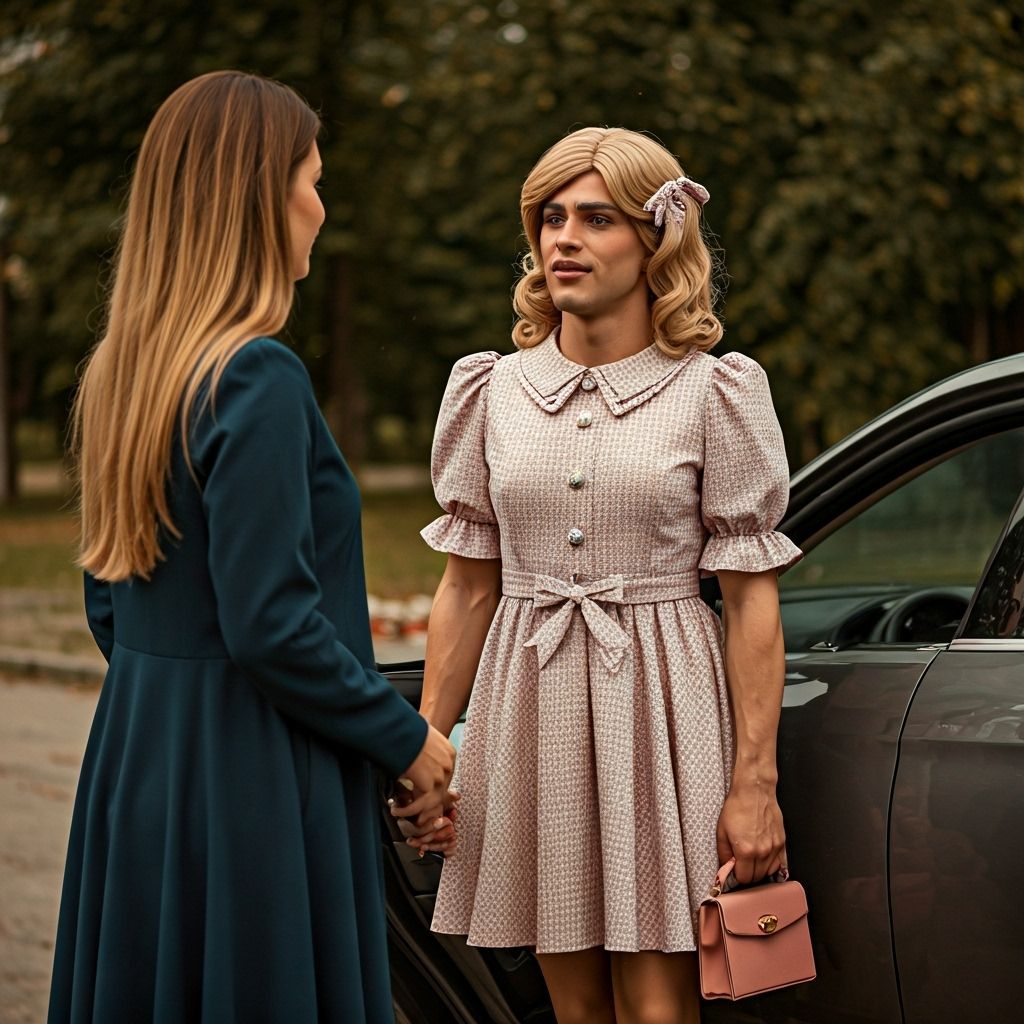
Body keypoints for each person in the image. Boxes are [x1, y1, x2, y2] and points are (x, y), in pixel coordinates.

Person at [48, 70, 454, 1023]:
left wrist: (176, 713)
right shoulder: (256, 376)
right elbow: (272, 626)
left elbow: (109, 600)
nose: (321, 205)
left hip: (139, 760)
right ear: (256, 199)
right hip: (254, 780)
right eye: (312, 180)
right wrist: (410, 744)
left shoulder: (124, 373)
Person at [404, 127, 801, 1023]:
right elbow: (467, 587)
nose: (564, 240)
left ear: (657, 239)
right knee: (570, 1007)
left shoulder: (715, 392)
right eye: (550, 218)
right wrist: (429, 750)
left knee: (661, 1005)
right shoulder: (490, 391)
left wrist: (755, 783)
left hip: (664, 713)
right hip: (529, 708)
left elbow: (750, 601)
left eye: (596, 218)